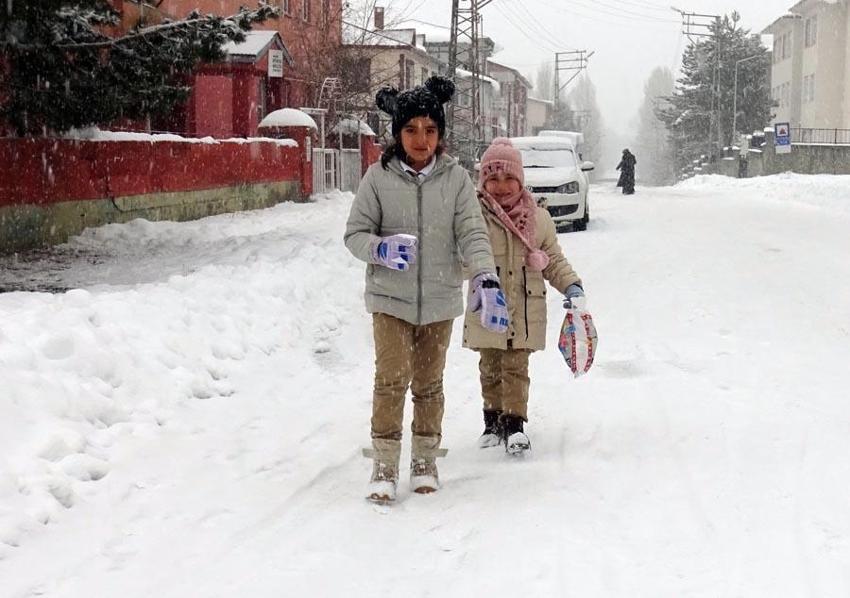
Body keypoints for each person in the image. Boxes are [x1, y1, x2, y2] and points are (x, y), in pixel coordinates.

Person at [344, 76, 509, 503]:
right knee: (390, 380)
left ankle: (424, 460)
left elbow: (473, 232)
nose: (422, 139)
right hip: (390, 299)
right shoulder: (378, 178)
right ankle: (384, 464)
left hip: (439, 299)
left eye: (431, 130)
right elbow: (355, 234)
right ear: (397, 133)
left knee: (430, 384)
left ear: (441, 133)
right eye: (412, 129)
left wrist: (485, 275)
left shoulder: (455, 180)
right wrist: (379, 248)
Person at [463, 138, 585, 454]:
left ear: (520, 180)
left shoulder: (538, 218)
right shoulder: (473, 218)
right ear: (482, 181)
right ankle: (492, 422)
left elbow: (553, 259)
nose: (501, 186)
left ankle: (514, 425)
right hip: (488, 307)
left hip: (525, 307)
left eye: (509, 178)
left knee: (516, 368)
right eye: (493, 178)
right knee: (490, 367)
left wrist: (571, 284)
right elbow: (462, 258)